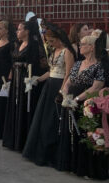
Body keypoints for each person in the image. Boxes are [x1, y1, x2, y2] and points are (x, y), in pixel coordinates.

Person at [23, 23, 76, 166]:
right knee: (43, 119)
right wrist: (37, 79)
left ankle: (52, 153)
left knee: (53, 120)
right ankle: (39, 151)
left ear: (59, 38)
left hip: (59, 87)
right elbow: (51, 71)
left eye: (52, 41)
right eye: (48, 41)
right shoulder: (54, 52)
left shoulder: (67, 51)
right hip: (49, 85)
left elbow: (68, 73)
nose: (50, 44)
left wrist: (62, 90)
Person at [58, 34, 108, 178]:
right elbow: (68, 81)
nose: (80, 46)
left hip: (87, 103)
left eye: (83, 44)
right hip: (71, 101)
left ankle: (86, 168)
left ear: (91, 47)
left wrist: (78, 99)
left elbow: (96, 87)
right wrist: (65, 95)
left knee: (85, 133)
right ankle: (71, 164)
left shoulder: (99, 65)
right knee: (70, 132)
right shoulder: (78, 63)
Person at [2, 18, 48, 151]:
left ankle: (24, 141)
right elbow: (13, 62)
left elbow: (43, 65)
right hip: (16, 80)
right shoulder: (18, 45)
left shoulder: (35, 46)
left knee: (25, 107)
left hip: (26, 82)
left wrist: (34, 78)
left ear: (27, 31)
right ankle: (13, 139)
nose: (17, 31)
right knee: (15, 106)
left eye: (20, 29)